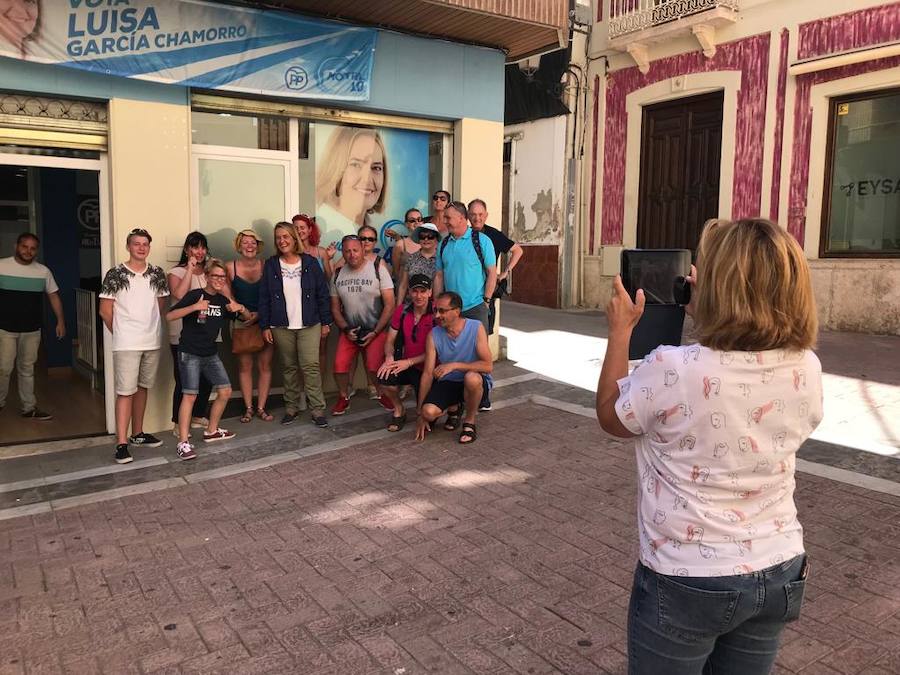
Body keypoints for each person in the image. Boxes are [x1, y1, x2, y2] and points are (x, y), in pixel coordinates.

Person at [595, 218, 823, 675]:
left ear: (718, 287)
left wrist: (621, 331)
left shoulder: (671, 367)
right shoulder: (807, 367)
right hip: (779, 566)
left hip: (688, 576)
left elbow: (611, 415)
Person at [167, 259, 251, 460]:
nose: (219, 280)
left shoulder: (223, 301)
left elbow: (247, 318)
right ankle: (183, 442)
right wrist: (194, 307)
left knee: (225, 391)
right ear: (207, 277)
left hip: (210, 353)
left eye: (222, 277)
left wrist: (239, 308)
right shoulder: (195, 295)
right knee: (190, 395)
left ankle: (211, 431)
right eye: (215, 276)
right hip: (190, 352)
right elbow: (170, 316)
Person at [98, 228, 169, 464]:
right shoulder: (115, 274)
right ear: (128, 246)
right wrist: (122, 333)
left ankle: (137, 434)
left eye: (145, 244)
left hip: (151, 341)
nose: (141, 247)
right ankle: (121, 443)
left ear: (149, 247)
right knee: (125, 392)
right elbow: (105, 311)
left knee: (142, 387)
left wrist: (149, 329)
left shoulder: (157, 273)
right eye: (136, 244)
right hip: (127, 343)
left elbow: (160, 306)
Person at [258, 222, 333, 428]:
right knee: (289, 367)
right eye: (278, 238)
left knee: (310, 366)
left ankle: (317, 409)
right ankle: (291, 408)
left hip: (309, 323)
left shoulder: (309, 262)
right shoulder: (272, 265)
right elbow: (264, 297)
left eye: (286, 237)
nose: (282, 241)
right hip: (281, 325)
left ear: (294, 239)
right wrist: (264, 326)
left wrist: (326, 322)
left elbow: (322, 294)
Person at [433, 200, 497, 410]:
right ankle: (458, 396)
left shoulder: (482, 241)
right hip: (451, 311)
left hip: (475, 306)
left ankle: (483, 394)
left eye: (448, 217)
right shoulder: (443, 244)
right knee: (454, 352)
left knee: (480, 354)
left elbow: (491, 273)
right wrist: (436, 304)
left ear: (462, 218)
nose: (445, 221)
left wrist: (486, 301)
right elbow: (439, 275)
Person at [0, 232, 65, 420]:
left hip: (32, 330)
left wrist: (60, 320)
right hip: (5, 329)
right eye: (24, 246)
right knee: (3, 369)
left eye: (32, 248)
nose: (28, 251)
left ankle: (29, 408)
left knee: (27, 369)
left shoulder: (43, 271)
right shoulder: (2, 266)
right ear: (16, 247)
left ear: (36, 251)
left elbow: (53, 296)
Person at [415, 291, 492, 445]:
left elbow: (487, 366)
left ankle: (469, 423)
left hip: (474, 382)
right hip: (449, 382)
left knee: (471, 378)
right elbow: (428, 374)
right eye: (436, 310)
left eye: (442, 311)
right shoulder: (434, 335)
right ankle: (455, 407)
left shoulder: (476, 328)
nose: (437, 315)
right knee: (428, 412)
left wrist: (454, 365)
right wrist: (419, 413)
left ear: (457, 311)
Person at [329, 234, 395, 416]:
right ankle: (343, 397)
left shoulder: (377, 269)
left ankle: (382, 394)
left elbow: (390, 304)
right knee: (339, 366)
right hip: (349, 330)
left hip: (375, 329)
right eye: (347, 251)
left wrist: (375, 332)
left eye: (355, 250)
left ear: (363, 249)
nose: (352, 254)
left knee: (375, 368)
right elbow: (335, 308)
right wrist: (345, 329)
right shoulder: (337, 274)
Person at [376, 274, 436, 432]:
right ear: (409, 292)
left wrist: (408, 362)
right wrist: (389, 357)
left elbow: (438, 350)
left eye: (423, 291)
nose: (419, 296)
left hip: (430, 369)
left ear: (430, 292)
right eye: (415, 291)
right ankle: (399, 410)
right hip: (406, 364)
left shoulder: (437, 312)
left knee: (429, 416)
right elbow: (390, 340)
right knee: (384, 376)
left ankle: (453, 408)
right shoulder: (402, 311)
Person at [227, 229, 274, 423]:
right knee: (245, 367)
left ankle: (261, 408)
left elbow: (274, 294)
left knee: (265, 365)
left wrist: (261, 314)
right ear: (239, 245)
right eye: (245, 242)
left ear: (258, 246)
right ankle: (248, 408)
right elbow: (226, 295)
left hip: (265, 322)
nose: (249, 246)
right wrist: (242, 311)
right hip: (242, 322)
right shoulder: (231, 267)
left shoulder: (267, 265)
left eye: (253, 242)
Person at [167, 232, 212, 434]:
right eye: (195, 247)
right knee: (185, 379)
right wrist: (190, 270)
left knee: (207, 377)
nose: (199, 251)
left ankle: (197, 415)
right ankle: (178, 423)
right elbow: (179, 294)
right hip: (181, 334)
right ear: (187, 250)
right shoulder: (175, 272)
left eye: (203, 247)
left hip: (207, 333)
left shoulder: (209, 272)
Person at [315, 126, 388, 247]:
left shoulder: (380, 229)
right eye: (356, 165)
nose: (367, 179)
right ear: (334, 169)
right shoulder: (320, 229)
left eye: (376, 168)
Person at [468, 198, 523, 333]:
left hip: (487, 292)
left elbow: (518, 250)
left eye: (480, 214)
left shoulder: (494, 235)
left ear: (486, 215)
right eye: (473, 214)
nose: (477, 218)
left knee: (483, 334)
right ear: (468, 216)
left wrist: (506, 272)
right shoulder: (463, 235)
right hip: (468, 292)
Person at [395, 222, 440, 303]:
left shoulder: (441, 259)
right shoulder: (411, 258)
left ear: (436, 239)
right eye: (422, 237)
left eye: (430, 237)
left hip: (434, 306)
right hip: (412, 305)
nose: (426, 239)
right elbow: (403, 285)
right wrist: (398, 308)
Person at [387, 208, 425, 277]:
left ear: (423, 222)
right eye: (412, 220)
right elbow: (396, 272)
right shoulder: (400, 245)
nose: (416, 222)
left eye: (419, 219)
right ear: (406, 224)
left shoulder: (430, 244)